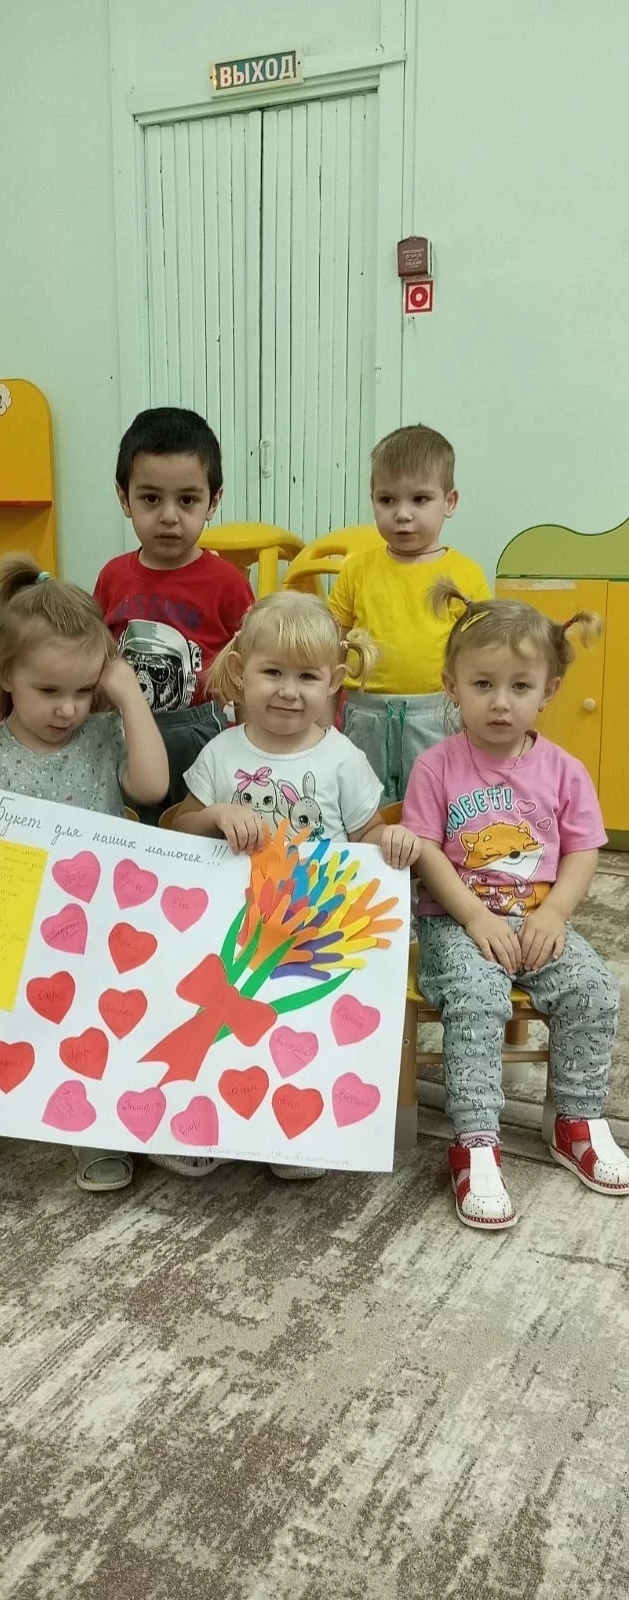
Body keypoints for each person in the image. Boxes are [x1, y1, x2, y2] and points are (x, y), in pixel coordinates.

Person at [0, 556, 170, 1198]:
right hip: (3, 926)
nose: (67, 708)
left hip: (90, 931)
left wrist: (126, 694)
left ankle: (94, 1123)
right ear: (8, 674)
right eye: (49, 691)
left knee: (103, 1009)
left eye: (83, 690)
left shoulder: (103, 736)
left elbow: (152, 787)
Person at [161, 590, 422, 1183]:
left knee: (300, 1026)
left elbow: (367, 834)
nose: (288, 690)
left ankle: (295, 1131)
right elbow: (178, 827)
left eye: (307, 677)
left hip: (310, 932)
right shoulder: (221, 753)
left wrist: (391, 840)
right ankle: (202, 1123)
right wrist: (215, 815)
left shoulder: (342, 759)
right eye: (272, 672)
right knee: (216, 1015)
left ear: (333, 683)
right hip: (230, 925)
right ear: (240, 671)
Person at [401, 583, 629, 1230]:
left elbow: (582, 850)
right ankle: (475, 1140)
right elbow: (424, 850)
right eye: (482, 684)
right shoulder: (437, 767)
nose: (500, 702)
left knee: (592, 989)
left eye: (519, 686)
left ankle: (574, 1120)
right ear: (451, 685)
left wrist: (554, 915)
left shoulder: (564, 771)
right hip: (455, 922)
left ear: (548, 690)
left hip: (535, 921)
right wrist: (473, 917)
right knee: (477, 998)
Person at [93, 407, 254, 816]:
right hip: (126, 730)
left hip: (200, 738)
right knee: (127, 827)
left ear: (213, 501)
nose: (168, 516)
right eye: (150, 498)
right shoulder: (112, 577)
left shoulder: (228, 584)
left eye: (187, 500)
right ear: (123, 498)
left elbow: (250, 670)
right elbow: (95, 657)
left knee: (196, 832)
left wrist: (252, 747)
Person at [328, 424, 490, 800]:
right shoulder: (356, 570)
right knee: (362, 804)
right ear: (373, 500)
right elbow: (331, 643)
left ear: (449, 502)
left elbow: (484, 655)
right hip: (364, 713)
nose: (402, 514)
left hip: (439, 714)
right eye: (387, 500)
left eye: (420, 499)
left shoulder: (465, 575)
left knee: (436, 802)